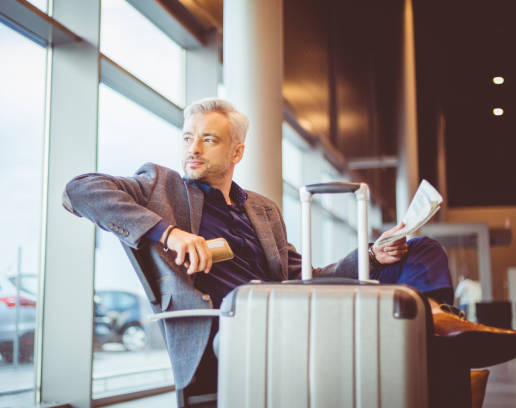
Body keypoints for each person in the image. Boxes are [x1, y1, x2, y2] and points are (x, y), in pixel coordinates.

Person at [63, 98, 516, 402]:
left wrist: (375, 255)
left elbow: (309, 278)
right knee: (423, 351)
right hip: (235, 326)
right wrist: (168, 233)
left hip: (293, 311)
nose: (193, 148)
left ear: (237, 152)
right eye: (188, 136)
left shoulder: (261, 209)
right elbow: (78, 189)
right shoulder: (158, 186)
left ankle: (437, 319)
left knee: (416, 247)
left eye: (208, 138)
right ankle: (435, 330)